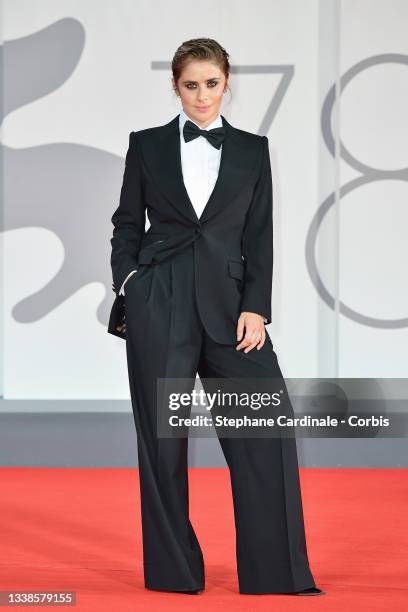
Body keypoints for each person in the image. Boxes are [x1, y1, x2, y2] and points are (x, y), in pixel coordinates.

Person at [110, 38, 324, 597]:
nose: (202, 95)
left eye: (211, 83)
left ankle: (275, 574)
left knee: (264, 431)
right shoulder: (147, 145)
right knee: (162, 445)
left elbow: (259, 235)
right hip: (161, 302)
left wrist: (257, 306)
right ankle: (175, 576)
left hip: (233, 311)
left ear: (226, 82)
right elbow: (127, 222)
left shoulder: (254, 150)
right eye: (190, 84)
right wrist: (130, 283)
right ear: (175, 86)